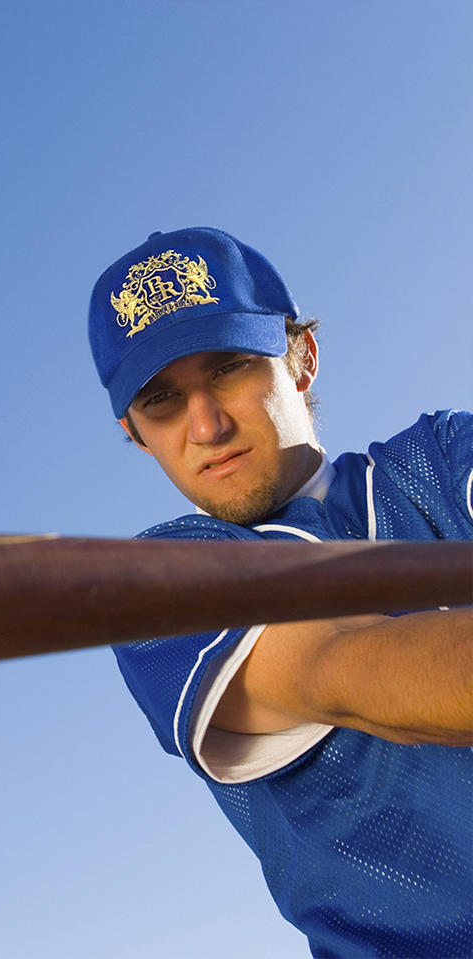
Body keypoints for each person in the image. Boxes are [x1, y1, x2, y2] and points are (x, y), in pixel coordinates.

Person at [89, 226, 473, 957]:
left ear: (301, 359)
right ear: (136, 434)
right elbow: (353, 671)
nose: (205, 425)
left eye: (229, 365)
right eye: (163, 401)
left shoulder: (442, 457)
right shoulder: (156, 588)